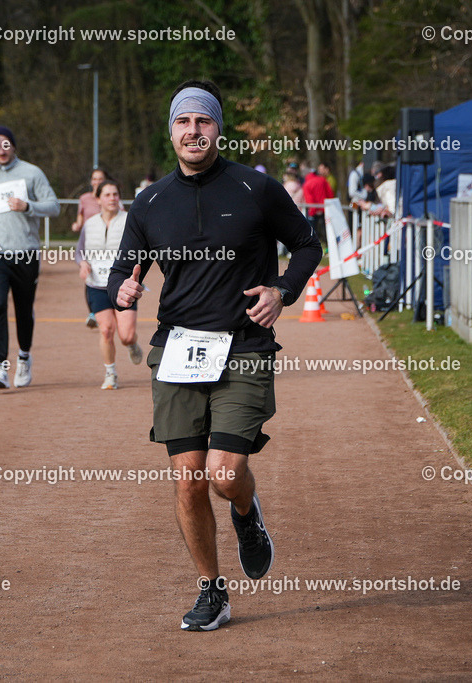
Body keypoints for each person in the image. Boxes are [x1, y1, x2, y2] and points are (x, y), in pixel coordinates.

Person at [108, 79, 321, 631]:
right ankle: (211, 591)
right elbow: (122, 267)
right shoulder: (152, 201)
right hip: (177, 351)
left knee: (226, 476)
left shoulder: (255, 188)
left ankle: (247, 515)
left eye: (203, 121)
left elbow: (307, 243)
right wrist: (122, 292)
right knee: (188, 480)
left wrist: (282, 291)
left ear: (217, 129)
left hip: (245, 347)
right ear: (172, 132)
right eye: (183, 122)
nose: (193, 131)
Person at [0, 126, 60, 389]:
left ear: (13, 146)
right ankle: (0, 367)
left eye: (6, 143)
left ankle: (24, 357)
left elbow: (54, 206)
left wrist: (28, 206)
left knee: (23, 309)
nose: (1, 149)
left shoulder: (32, 173)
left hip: (25, 253)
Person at [76, 179, 143, 388]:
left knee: (126, 335)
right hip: (96, 285)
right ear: (98, 199)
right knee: (106, 330)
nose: (112, 198)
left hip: (123, 285)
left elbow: (143, 248)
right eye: (107, 195)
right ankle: (110, 373)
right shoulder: (90, 224)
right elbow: (80, 251)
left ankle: (131, 344)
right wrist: (83, 263)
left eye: (115, 194)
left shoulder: (129, 220)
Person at [72, 168, 109, 329]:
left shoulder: (111, 197)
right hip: (90, 243)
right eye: (94, 179)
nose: (97, 181)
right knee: (89, 276)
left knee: (107, 275)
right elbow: (80, 217)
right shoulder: (84, 199)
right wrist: (77, 224)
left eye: (100, 179)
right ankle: (93, 312)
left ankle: (110, 308)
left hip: (108, 245)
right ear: (91, 181)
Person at [302, 160, 334, 243]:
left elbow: (309, 198)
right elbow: (330, 194)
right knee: (327, 229)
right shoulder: (323, 180)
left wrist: (313, 209)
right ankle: (329, 246)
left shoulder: (307, 184)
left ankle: (312, 246)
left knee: (312, 231)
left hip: (313, 210)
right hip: (324, 208)